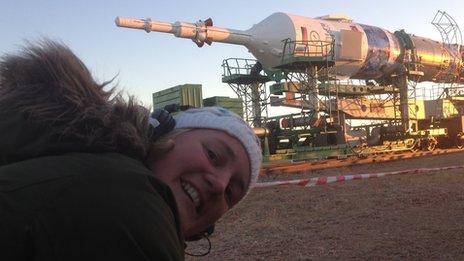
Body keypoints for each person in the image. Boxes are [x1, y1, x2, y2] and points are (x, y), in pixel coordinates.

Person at [0, 40, 262, 260]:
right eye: (213, 155)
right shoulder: (130, 204)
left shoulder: (65, 160)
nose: (219, 185)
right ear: (162, 132)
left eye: (231, 193)